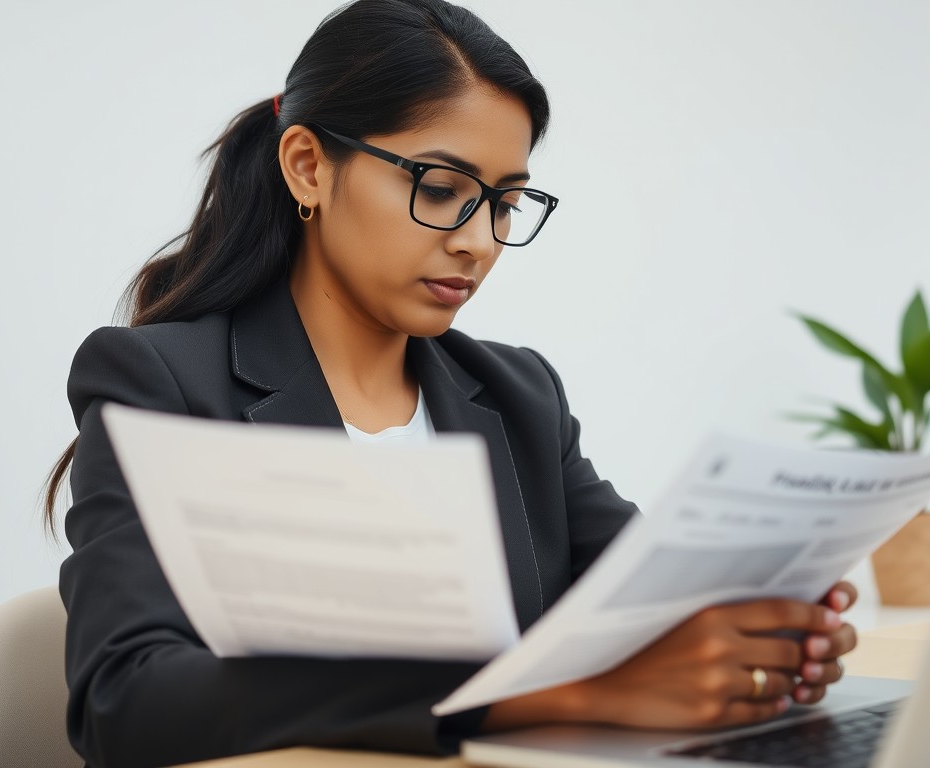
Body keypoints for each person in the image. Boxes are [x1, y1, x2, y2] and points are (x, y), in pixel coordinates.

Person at [42, 1, 859, 766]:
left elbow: (644, 599)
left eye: (505, 202)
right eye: (440, 190)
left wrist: (760, 630)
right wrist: (545, 698)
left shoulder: (516, 395)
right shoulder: (164, 383)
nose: (479, 243)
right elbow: (127, 705)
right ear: (307, 168)